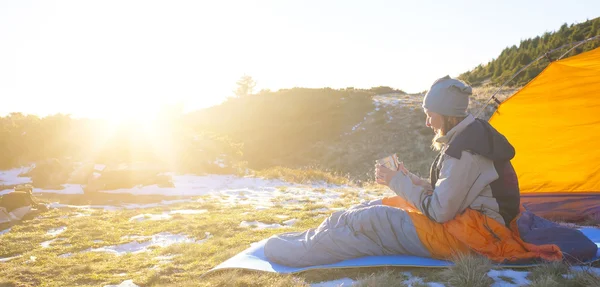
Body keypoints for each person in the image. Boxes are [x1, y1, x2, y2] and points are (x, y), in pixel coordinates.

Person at [264, 76, 597, 267]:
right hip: (469, 221)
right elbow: (451, 192)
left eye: (430, 114)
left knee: (371, 221)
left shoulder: (467, 150)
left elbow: (439, 210)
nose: (427, 122)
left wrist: (400, 183)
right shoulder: (468, 136)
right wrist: (407, 181)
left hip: (476, 236)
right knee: (371, 207)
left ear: (448, 115)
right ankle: (312, 237)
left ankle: (303, 252)